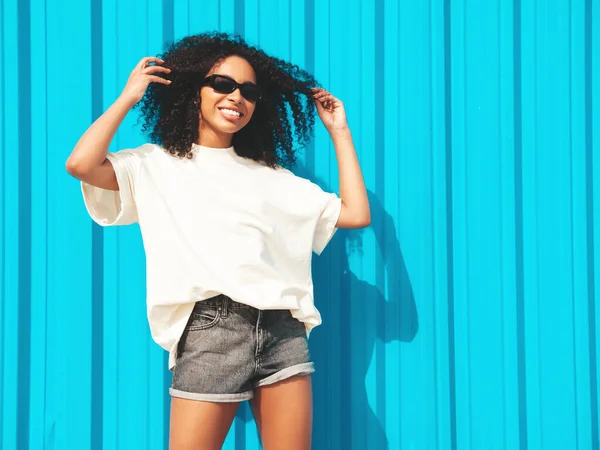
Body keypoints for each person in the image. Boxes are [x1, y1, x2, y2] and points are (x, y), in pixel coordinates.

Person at [66, 32, 370, 450]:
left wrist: (340, 131)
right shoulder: (156, 164)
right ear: (195, 92)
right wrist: (128, 98)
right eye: (223, 84)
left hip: (283, 332)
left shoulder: (271, 177)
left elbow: (356, 213)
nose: (236, 97)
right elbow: (80, 164)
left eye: (248, 91)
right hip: (212, 332)